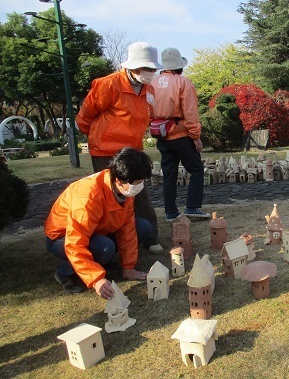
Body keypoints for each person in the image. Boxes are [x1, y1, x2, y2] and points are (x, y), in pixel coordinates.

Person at [77, 41, 163, 253]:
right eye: (147, 68)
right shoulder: (107, 84)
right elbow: (85, 116)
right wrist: (100, 136)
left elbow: (146, 116)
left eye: (153, 69)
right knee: (108, 194)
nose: (151, 72)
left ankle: (150, 237)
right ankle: (107, 241)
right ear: (133, 67)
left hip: (132, 150)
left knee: (139, 191)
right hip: (105, 150)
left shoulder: (148, 89)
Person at [44, 148, 153, 299]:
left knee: (142, 227)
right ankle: (65, 272)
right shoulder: (88, 195)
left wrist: (129, 267)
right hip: (61, 237)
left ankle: (99, 260)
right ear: (119, 181)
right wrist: (96, 279)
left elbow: (127, 228)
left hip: (97, 230)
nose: (140, 186)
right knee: (104, 247)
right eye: (138, 182)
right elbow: (75, 242)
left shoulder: (125, 190)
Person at [149, 47, 209, 221]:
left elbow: (147, 112)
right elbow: (190, 114)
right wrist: (196, 137)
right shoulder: (184, 83)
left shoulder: (152, 84)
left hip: (161, 135)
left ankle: (170, 212)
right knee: (196, 169)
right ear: (179, 66)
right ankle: (192, 207)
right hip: (181, 135)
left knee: (169, 174)